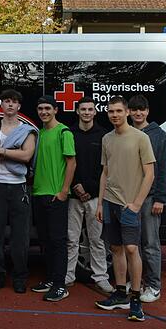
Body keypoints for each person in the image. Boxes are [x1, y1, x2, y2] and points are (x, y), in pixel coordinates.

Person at [95, 96, 155, 322]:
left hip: (130, 204)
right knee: (116, 248)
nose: (114, 115)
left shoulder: (141, 138)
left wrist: (137, 203)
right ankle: (120, 293)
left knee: (131, 249)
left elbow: (149, 174)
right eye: (111, 111)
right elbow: (105, 172)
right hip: (110, 202)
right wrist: (100, 203)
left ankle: (136, 299)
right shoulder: (107, 139)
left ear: (127, 112)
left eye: (118, 111)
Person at [0, 89, 36, 294]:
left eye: (14, 102)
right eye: (7, 101)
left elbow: (27, 155)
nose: (10, 105)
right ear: (1, 105)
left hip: (19, 186)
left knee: (20, 236)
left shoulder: (28, 130)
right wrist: (15, 152)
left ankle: (20, 277)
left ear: (19, 106)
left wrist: (2, 151)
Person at [65, 97, 114, 295]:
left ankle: (101, 278)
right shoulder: (69, 133)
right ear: (77, 111)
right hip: (73, 196)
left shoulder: (104, 135)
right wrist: (76, 186)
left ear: (95, 112)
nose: (86, 112)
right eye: (83, 109)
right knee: (71, 239)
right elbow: (67, 163)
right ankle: (68, 276)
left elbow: (106, 168)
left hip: (95, 197)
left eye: (90, 109)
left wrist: (90, 190)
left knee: (97, 240)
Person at [30, 95, 76, 302]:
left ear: (56, 110)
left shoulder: (63, 132)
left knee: (58, 241)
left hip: (56, 196)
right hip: (39, 194)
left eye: (48, 108)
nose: (44, 112)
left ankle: (60, 284)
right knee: (45, 240)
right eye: (40, 108)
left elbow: (71, 162)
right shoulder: (39, 133)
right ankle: (50, 278)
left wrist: (64, 190)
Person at [128, 94, 166, 303]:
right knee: (131, 243)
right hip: (128, 197)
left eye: (141, 109)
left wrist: (160, 198)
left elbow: (164, 168)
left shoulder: (159, 136)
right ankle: (135, 281)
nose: (138, 113)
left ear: (147, 111)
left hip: (150, 197)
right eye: (134, 109)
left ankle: (153, 285)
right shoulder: (124, 133)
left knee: (150, 243)